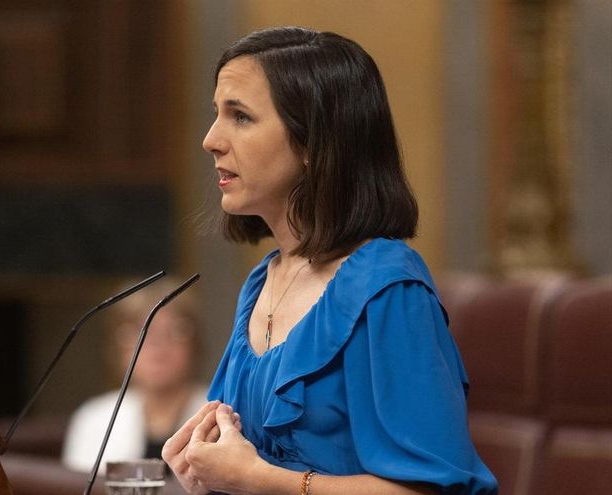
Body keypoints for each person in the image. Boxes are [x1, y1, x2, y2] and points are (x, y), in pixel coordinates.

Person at [161, 27, 498, 494]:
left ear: (313, 142)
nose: (210, 140)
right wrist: (208, 478)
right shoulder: (261, 283)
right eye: (216, 114)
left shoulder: (388, 291)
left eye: (240, 116)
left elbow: (433, 491)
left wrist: (255, 477)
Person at [62, 277, 208, 473]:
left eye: (176, 330)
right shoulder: (93, 420)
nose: (158, 346)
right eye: (140, 333)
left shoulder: (223, 417)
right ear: (117, 349)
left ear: (195, 344)